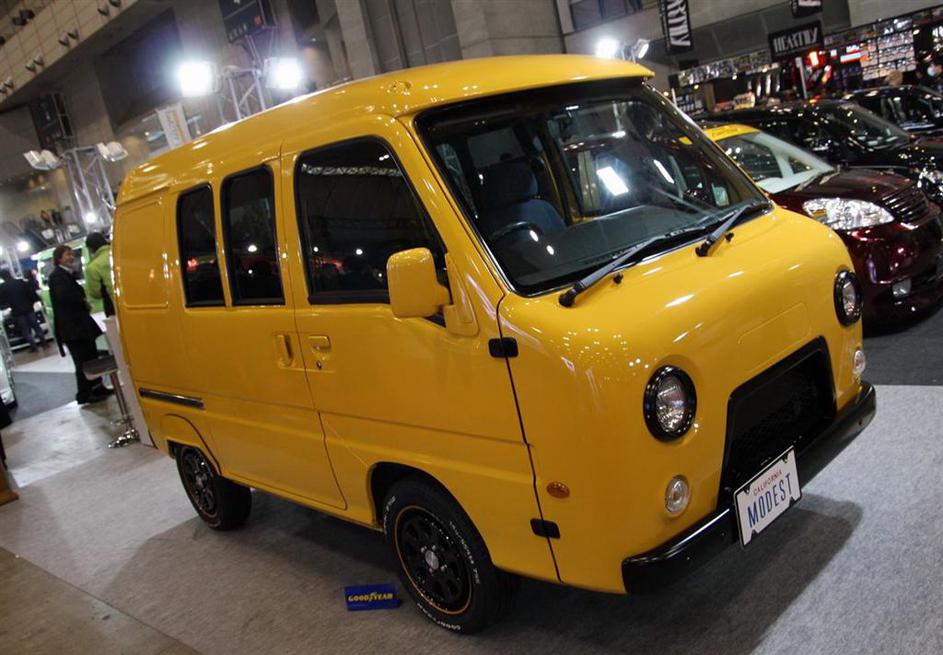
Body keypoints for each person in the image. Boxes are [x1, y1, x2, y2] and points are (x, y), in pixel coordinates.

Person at [48, 245, 110, 404]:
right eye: (68, 254)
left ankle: (97, 388)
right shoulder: (57, 276)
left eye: (71, 254)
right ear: (59, 258)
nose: (71, 257)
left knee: (91, 357)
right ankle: (85, 394)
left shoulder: (66, 274)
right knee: (82, 361)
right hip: (73, 329)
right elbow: (64, 297)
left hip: (79, 327)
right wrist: (82, 301)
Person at [0, 269, 48, 352]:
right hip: (28, 308)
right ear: (10, 274)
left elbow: (2, 300)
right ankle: (44, 343)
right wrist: (33, 302)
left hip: (17, 312)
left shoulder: (2, 287)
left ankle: (34, 347)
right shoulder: (21, 282)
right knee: (36, 327)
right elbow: (30, 293)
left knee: (25, 330)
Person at [84, 232, 114, 317]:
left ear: (90, 248)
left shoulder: (93, 267)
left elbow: (95, 293)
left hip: (114, 305)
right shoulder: (120, 254)